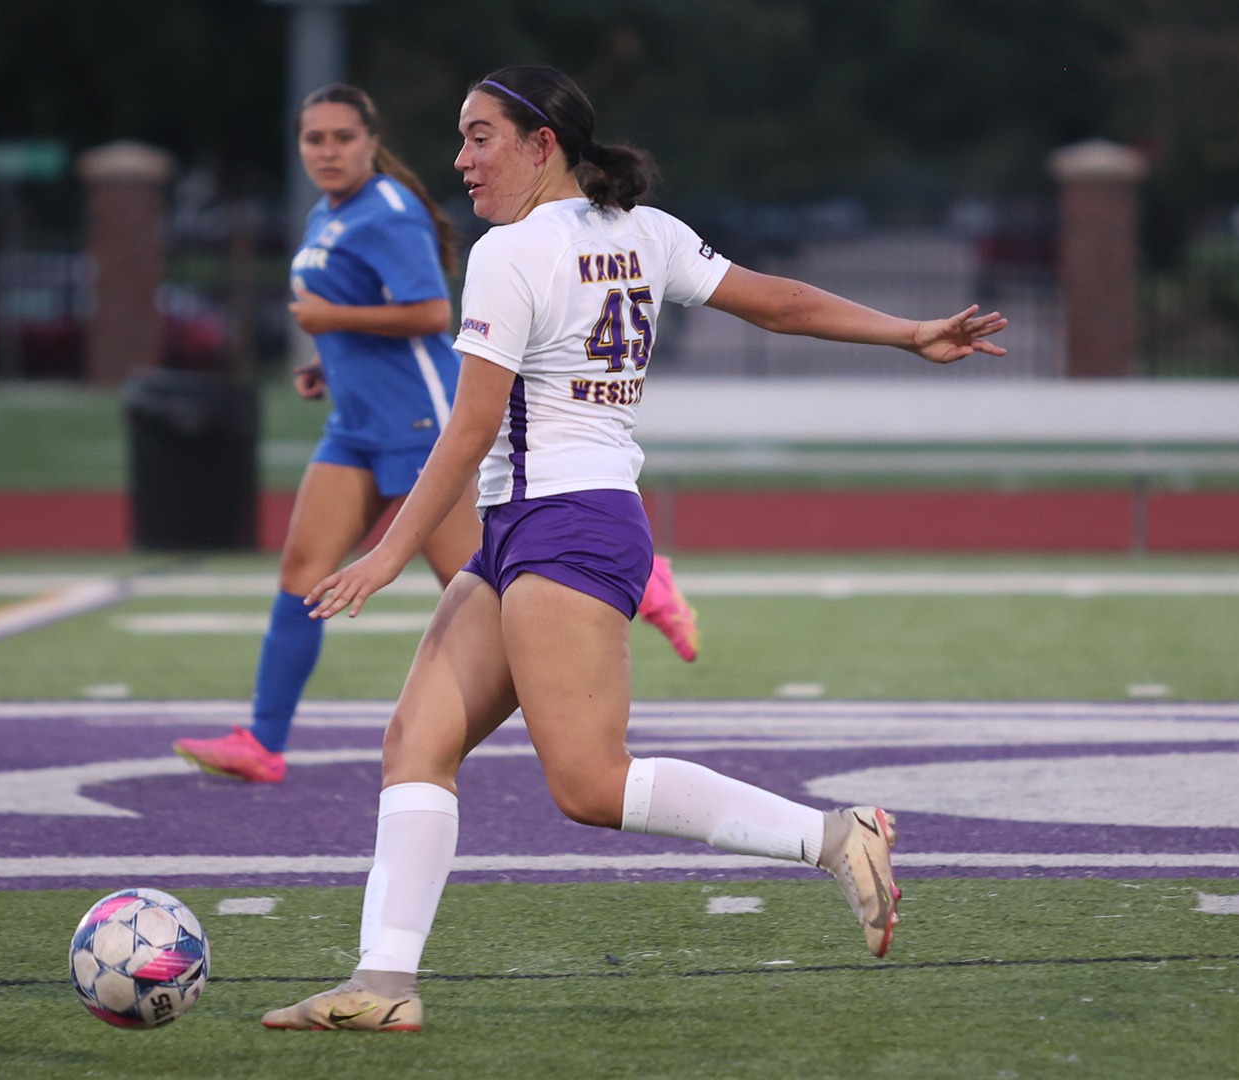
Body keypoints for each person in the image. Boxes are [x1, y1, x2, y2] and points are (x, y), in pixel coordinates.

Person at [259, 66, 1008, 1033]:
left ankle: (833, 836)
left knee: (588, 783)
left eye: (480, 137)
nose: (461, 159)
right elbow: (776, 302)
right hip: (537, 527)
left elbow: (470, 428)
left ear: (543, 144)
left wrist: (387, 552)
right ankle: (384, 983)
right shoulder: (641, 231)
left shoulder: (510, 250)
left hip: (563, 525)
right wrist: (909, 333)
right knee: (417, 742)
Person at [173, 84, 702, 787]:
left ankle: (641, 580)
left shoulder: (388, 211)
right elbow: (359, 311)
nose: (327, 151)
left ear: (371, 142)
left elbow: (426, 313)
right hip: (354, 425)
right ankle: (264, 741)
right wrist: (330, 361)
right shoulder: (326, 213)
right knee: (302, 570)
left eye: (342, 137)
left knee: (484, 582)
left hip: (419, 421)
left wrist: (333, 323)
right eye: (313, 139)